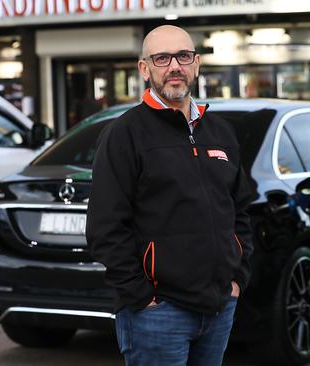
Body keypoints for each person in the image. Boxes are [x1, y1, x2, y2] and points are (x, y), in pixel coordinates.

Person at [86, 25, 254, 366]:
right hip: (158, 312)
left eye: (183, 56)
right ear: (145, 69)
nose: (174, 66)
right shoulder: (124, 134)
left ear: (197, 64)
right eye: (162, 58)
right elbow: (105, 227)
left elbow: (241, 210)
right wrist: (140, 293)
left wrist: (237, 278)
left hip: (220, 304)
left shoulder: (219, 132)